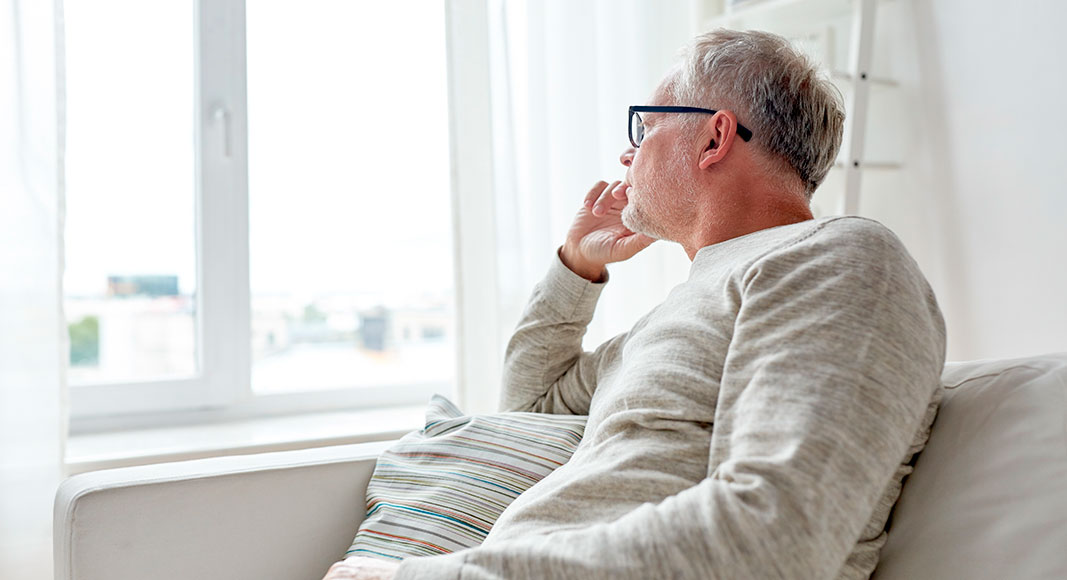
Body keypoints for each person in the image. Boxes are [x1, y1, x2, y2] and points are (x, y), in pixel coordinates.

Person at [324, 28, 946, 580]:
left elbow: (776, 535)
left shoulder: (837, 259)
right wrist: (577, 265)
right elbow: (530, 409)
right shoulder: (679, 315)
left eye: (644, 127)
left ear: (714, 137)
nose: (627, 154)